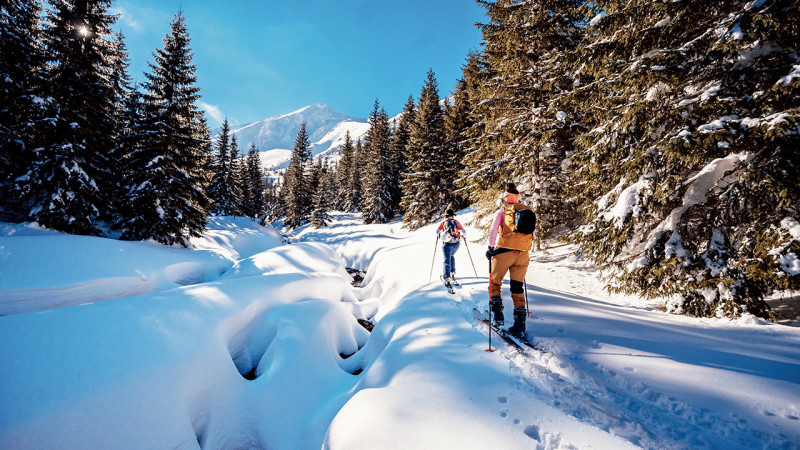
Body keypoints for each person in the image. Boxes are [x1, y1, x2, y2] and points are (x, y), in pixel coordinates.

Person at [485, 182, 535, 337]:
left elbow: (494, 230)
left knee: (494, 283)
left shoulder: (502, 212)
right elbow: (532, 233)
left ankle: (498, 318)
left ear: (505, 198)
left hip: (504, 252)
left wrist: (490, 247)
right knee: (517, 288)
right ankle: (520, 325)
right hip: (523, 255)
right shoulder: (526, 210)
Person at [437, 209, 466, 286]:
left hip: (447, 244)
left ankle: (447, 277)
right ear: (453, 216)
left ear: (446, 216)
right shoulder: (456, 222)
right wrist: (463, 236)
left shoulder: (443, 223)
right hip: (456, 244)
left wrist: (439, 235)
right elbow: (464, 231)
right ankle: (452, 272)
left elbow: (437, 232)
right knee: (452, 256)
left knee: (447, 260)